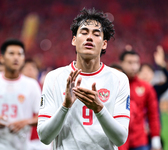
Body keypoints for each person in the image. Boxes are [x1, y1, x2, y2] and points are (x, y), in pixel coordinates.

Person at [37, 8, 130, 150]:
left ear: (104, 44)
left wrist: (99, 108)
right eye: (84, 32)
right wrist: (65, 106)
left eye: (96, 34)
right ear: (74, 40)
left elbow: (120, 139)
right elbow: (44, 137)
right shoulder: (54, 78)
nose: (89, 37)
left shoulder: (118, 79)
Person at [0, 39, 41, 150]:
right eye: (11, 53)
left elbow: (43, 117)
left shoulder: (32, 85)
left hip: (20, 146)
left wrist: (26, 122)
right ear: (2, 58)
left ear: (23, 58)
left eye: (20, 54)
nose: (16, 57)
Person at [119, 50, 161, 150]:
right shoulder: (115, 85)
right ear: (121, 63)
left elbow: (153, 114)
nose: (133, 67)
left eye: (136, 63)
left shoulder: (146, 87)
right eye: (129, 63)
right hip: (118, 141)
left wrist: (156, 142)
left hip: (140, 141)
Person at [138, 45, 168, 149]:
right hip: (139, 133)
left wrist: (162, 64)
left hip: (154, 133)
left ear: (153, 75)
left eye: (148, 72)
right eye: (142, 72)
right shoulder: (132, 90)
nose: (145, 74)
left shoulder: (155, 90)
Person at [21, 59, 52, 150]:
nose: (30, 71)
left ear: (37, 72)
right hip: (22, 139)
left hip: (41, 140)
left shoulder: (45, 89)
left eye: (33, 68)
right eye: (26, 68)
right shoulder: (17, 90)